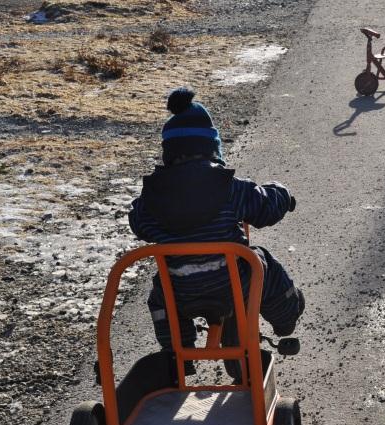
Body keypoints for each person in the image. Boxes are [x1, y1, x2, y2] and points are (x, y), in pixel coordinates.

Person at [128, 88, 304, 351]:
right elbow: (264, 207)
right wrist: (281, 194)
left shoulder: (154, 195)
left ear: (169, 152)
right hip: (233, 284)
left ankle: (177, 350)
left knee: (159, 295)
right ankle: (285, 317)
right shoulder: (226, 186)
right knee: (263, 263)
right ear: (212, 148)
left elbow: (138, 224)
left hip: (180, 290)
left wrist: (145, 208)